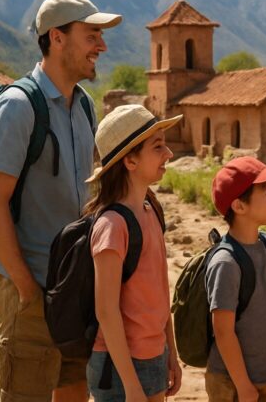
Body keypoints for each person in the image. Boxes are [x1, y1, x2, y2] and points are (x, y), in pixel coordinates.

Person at [0, 0, 121, 401]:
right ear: (57, 38)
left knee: (74, 391)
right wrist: (27, 289)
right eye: (92, 35)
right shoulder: (17, 106)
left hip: (74, 289)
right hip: (32, 285)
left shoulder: (84, 106)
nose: (102, 46)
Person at [83, 104, 182, 401]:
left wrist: (170, 352)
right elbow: (106, 311)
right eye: (158, 147)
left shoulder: (151, 211)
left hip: (153, 356)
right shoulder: (112, 226)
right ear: (130, 160)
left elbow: (160, 293)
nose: (169, 154)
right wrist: (131, 385)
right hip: (119, 367)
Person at [206, 156, 266, 402]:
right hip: (230, 384)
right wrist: (243, 385)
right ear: (239, 206)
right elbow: (223, 332)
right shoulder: (226, 263)